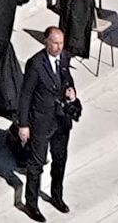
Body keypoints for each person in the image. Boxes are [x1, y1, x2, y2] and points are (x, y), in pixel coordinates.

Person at [15, 23, 79, 218]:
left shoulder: (64, 57)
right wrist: (23, 124)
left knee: (60, 159)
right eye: (55, 43)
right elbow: (25, 95)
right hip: (42, 120)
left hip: (61, 119)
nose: (58, 47)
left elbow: (67, 79)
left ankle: (56, 196)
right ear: (46, 42)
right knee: (36, 163)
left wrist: (72, 92)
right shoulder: (36, 64)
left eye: (61, 43)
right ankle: (31, 204)